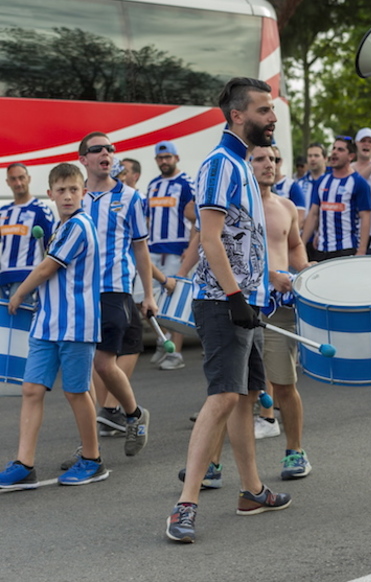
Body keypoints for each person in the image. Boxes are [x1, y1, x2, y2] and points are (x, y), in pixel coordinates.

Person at [165, 77, 291, 544]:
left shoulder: (241, 164)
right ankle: (186, 505)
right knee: (222, 397)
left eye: (272, 110)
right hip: (224, 303)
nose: (272, 118)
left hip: (247, 298)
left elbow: (243, 239)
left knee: (245, 396)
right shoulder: (220, 164)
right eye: (264, 110)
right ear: (238, 116)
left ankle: (252, 490)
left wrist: (267, 278)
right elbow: (211, 239)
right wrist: (236, 296)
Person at [0, 162, 106, 489]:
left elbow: (46, 268)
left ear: (84, 193)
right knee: (31, 388)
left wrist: (19, 293)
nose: (68, 196)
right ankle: (24, 464)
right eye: (61, 190)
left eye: (74, 189)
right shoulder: (60, 228)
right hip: (47, 323)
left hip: (76, 324)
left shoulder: (79, 225)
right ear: (50, 195)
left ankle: (92, 459)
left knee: (76, 392)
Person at [78, 132, 156, 456]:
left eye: (110, 148)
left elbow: (141, 248)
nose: (106, 153)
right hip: (79, 293)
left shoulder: (131, 197)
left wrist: (148, 294)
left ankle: (135, 415)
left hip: (114, 290)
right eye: (97, 149)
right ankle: (89, 449)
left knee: (103, 363)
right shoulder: (76, 197)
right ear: (83, 159)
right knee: (81, 370)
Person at [251, 146, 313, 478]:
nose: (269, 165)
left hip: (278, 308)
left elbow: (293, 248)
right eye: (260, 159)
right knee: (232, 391)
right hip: (241, 304)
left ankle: (295, 452)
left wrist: (307, 272)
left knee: (284, 384)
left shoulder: (287, 207)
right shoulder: (233, 208)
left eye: (273, 160)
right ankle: (211, 465)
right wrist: (266, 275)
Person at [146, 140, 196, 371]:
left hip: (176, 251)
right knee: (144, 299)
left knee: (174, 302)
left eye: (168, 157)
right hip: (153, 250)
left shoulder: (186, 183)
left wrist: (190, 246)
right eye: (160, 158)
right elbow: (148, 219)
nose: (164, 161)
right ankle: (161, 340)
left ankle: (175, 354)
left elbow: (198, 219)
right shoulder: (153, 184)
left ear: (176, 158)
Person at [301, 137, 371, 261]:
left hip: (347, 248)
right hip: (322, 248)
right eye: (333, 148)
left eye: (340, 149)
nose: (334, 152)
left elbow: (366, 217)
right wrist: (301, 244)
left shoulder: (358, 182)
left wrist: (362, 250)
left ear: (351, 156)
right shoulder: (322, 181)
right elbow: (313, 214)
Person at [0, 163, 55, 303]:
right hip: (3, 277)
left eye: (21, 178)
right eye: (13, 179)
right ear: (7, 182)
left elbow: (51, 245)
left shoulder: (41, 210)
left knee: (20, 323)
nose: (18, 183)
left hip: (27, 277)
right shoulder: (3, 212)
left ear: (28, 179)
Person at [270, 145, 308, 224]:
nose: (272, 164)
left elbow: (300, 219)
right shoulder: (257, 185)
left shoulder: (292, 186)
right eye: (270, 160)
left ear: (281, 162)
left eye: (276, 160)